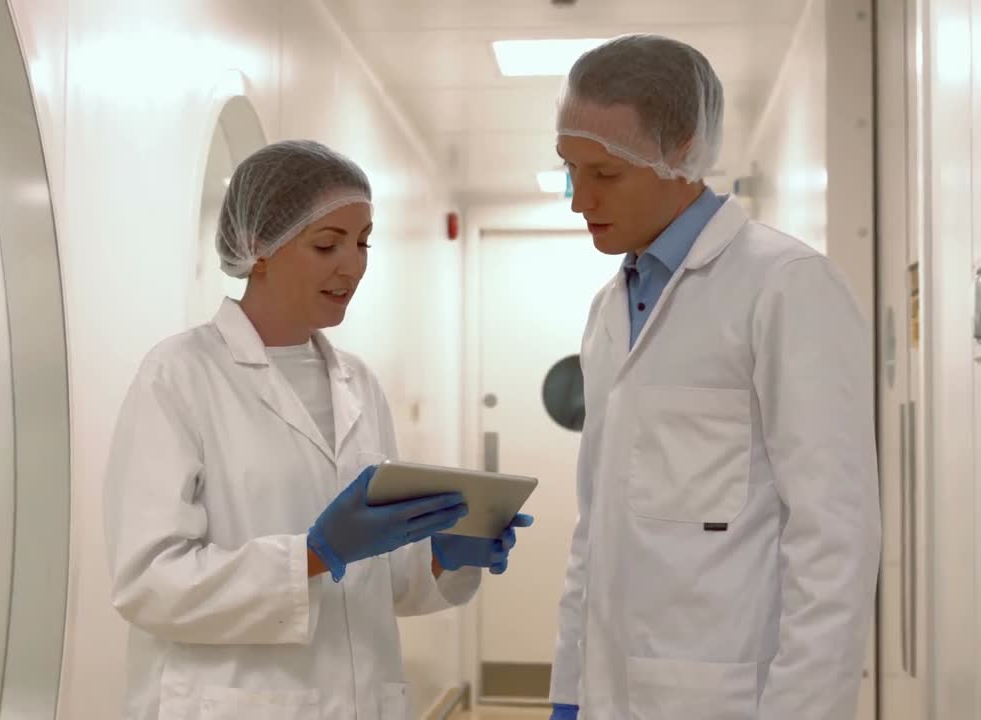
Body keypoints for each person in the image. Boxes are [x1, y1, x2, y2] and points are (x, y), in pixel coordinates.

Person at [103, 139, 533, 720]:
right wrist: (310, 554)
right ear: (258, 247)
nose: (352, 265)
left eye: (363, 242)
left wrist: (444, 555)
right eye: (328, 244)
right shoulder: (180, 375)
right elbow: (149, 583)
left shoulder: (359, 383)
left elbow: (383, 582)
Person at [546, 35, 880, 720]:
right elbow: (596, 524)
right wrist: (569, 688)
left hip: (732, 698)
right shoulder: (609, 308)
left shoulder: (785, 287)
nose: (580, 200)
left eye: (605, 173)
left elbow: (834, 541)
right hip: (612, 692)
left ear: (683, 152)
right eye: (570, 170)